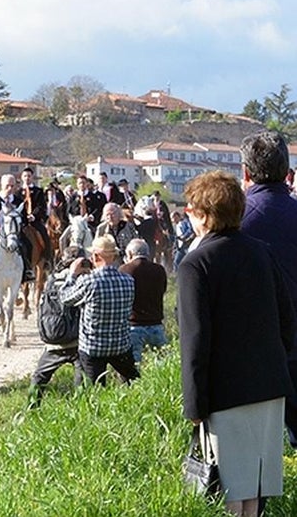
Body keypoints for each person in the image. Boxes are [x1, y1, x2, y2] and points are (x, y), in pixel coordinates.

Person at [179, 170, 296, 517]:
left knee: (230, 492)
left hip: (225, 393)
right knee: (254, 491)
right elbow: (287, 321)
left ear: (204, 215)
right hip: (270, 387)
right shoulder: (262, 252)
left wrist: (194, 404)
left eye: (191, 208)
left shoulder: (195, 264)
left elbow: (195, 341)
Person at [238, 130, 297, 449]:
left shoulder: (235, 222)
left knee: (256, 449)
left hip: (254, 347)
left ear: (245, 173)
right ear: (287, 172)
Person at [60, 234, 138, 387]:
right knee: (133, 382)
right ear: (114, 256)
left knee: (92, 392)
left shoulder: (89, 281)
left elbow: (65, 297)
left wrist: (72, 274)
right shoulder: (129, 281)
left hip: (93, 348)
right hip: (121, 345)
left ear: (95, 256)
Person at [27, 248, 84, 408]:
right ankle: (82, 409)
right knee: (84, 380)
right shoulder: (84, 279)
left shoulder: (51, 279)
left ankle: (30, 410)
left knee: (38, 377)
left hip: (53, 342)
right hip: (78, 342)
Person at [0, 173, 33, 286]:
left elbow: (24, 220)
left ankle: (27, 271)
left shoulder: (18, 201)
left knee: (28, 244)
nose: (10, 188)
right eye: (7, 186)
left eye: (12, 186)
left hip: (13, 232)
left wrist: (20, 224)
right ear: (1, 185)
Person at [118, 238, 167, 364]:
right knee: (163, 365)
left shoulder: (124, 270)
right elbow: (163, 290)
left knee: (134, 366)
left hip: (134, 325)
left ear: (130, 254)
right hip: (156, 324)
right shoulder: (159, 269)